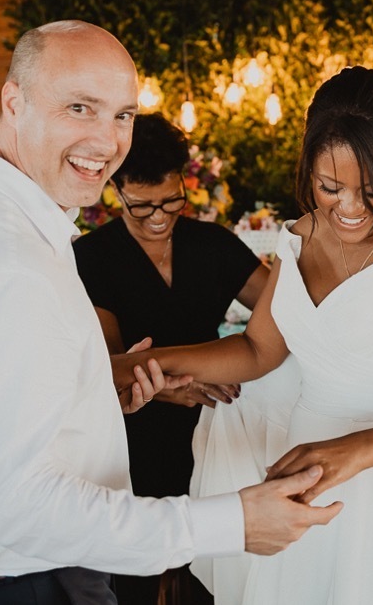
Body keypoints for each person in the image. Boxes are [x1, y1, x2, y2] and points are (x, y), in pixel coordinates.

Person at [0, 19, 340, 605]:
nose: (107, 141)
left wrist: (92, 394)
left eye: (122, 115)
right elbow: (22, 507)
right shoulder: (9, 265)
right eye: (80, 107)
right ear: (13, 100)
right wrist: (233, 524)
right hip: (26, 579)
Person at [115, 65, 373, 604]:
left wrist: (359, 450)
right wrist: (140, 364)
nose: (347, 207)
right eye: (329, 187)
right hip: (308, 479)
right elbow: (258, 349)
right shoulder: (300, 236)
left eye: (371, 189)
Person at [73, 112, 269, 605]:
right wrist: (166, 388)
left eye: (171, 201)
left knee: (214, 571)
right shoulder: (92, 258)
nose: (159, 217)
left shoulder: (214, 244)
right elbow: (112, 363)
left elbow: (283, 311)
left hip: (213, 430)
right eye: (141, 207)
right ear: (116, 191)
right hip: (135, 432)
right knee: (136, 573)